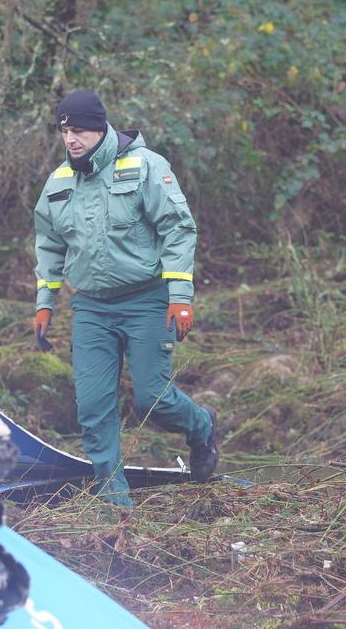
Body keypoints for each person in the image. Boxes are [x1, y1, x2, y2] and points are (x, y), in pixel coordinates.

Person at [32, 90, 220, 506]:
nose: (71, 140)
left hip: (146, 301)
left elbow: (178, 229)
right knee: (93, 406)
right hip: (91, 308)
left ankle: (201, 426)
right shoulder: (60, 181)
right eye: (65, 131)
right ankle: (115, 504)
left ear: (101, 129)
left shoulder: (146, 166)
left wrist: (180, 297)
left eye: (79, 130)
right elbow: (49, 243)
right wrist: (45, 302)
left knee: (152, 398)